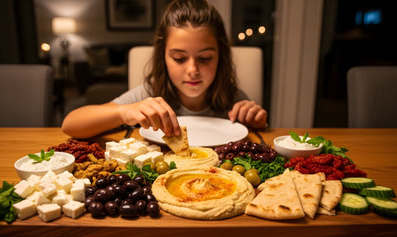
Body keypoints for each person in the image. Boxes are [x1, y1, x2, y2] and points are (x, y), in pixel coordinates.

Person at [61, 0, 267, 139]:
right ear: (163, 57)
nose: (192, 69)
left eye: (205, 58)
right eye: (179, 58)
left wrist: (256, 120)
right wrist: (125, 111)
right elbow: (70, 124)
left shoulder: (232, 97)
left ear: (220, 56)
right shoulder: (149, 93)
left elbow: (260, 132)